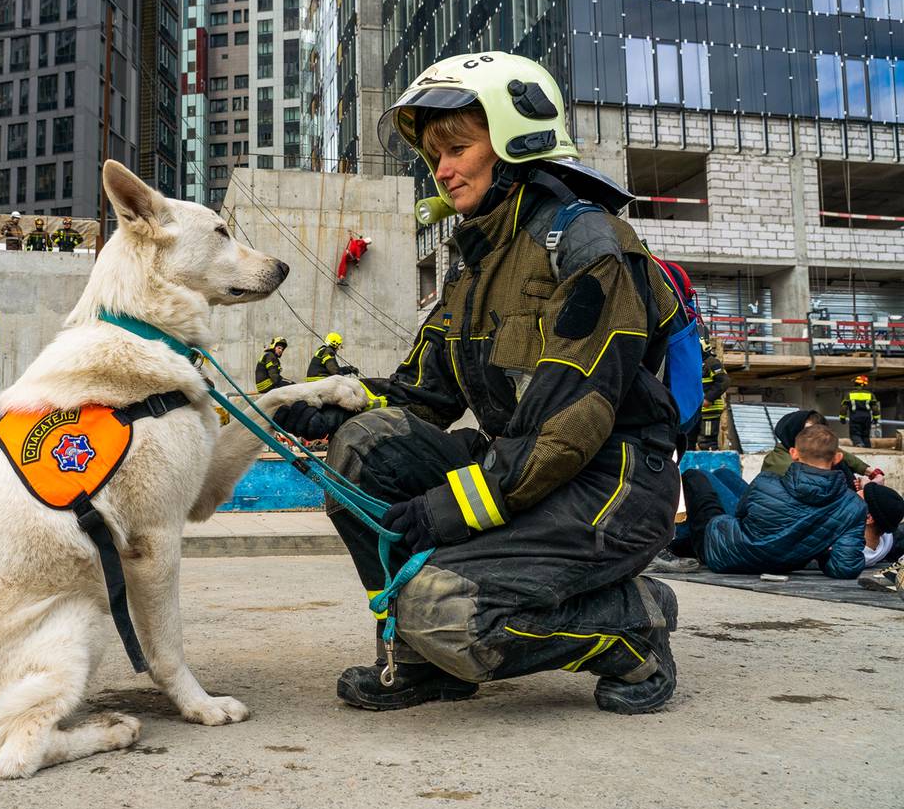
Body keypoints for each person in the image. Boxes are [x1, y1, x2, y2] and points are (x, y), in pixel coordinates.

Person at [273, 52, 685, 714]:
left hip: (614, 487)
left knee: (445, 613)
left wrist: (451, 509)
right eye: (435, 155)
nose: (441, 169)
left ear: (520, 141)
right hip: (526, 470)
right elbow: (422, 394)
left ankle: (629, 624)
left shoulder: (589, 246)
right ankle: (415, 658)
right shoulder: (475, 265)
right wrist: (328, 402)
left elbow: (566, 428)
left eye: (458, 148)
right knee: (362, 444)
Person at [680, 425, 866, 579]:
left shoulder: (765, 482)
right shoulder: (853, 506)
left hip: (721, 552)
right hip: (782, 561)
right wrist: (817, 547)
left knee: (695, 476)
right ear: (838, 458)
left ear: (793, 453)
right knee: (724, 473)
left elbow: (740, 515)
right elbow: (845, 567)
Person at [762, 408, 883, 487]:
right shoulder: (785, 465)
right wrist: (865, 491)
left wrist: (871, 472)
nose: (815, 439)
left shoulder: (805, 449)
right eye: (809, 433)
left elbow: (834, 451)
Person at [859, 481, 904, 574]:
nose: (844, 501)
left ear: (868, 517)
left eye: (852, 499)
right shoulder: (884, 526)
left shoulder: (843, 552)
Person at [697, 344, 729, 450]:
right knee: (693, 440)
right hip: (697, 411)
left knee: (707, 442)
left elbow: (723, 381)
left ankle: (709, 465)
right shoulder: (693, 362)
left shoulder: (711, 362)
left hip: (710, 410)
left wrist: (708, 398)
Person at [840, 375, 879, 448]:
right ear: (864, 385)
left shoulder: (850, 394)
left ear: (856, 384)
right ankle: (868, 450)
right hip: (867, 417)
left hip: (855, 416)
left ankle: (859, 445)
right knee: (866, 436)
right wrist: (876, 418)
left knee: (855, 434)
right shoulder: (870, 395)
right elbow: (875, 408)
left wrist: (842, 418)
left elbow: (843, 408)